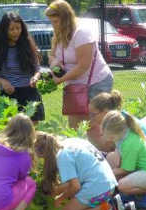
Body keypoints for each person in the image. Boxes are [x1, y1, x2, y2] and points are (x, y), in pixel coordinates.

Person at [45, 0, 114, 129]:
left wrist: (60, 79)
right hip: (75, 86)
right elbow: (52, 56)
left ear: (65, 19)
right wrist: (54, 63)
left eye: (55, 21)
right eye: (51, 21)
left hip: (96, 83)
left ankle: (103, 149)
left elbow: (83, 66)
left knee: (94, 126)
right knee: (74, 126)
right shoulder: (59, 34)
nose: (53, 25)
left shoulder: (82, 33)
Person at [35, 131, 119, 210]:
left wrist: (60, 198)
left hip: (97, 188)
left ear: (44, 154)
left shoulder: (62, 156)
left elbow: (75, 187)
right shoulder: (71, 141)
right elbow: (74, 180)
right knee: (73, 204)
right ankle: (107, 204)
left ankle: (107, 207)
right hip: (109, 183)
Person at [0, 12, 44, 123]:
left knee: (31, 133)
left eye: (18, 28)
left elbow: (37, 69)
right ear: (4, 30)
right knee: (11, 134)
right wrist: (3, 82)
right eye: (11, 29)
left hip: (29, 94)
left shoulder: (28, 45)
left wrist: (35, 77)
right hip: (9, 97)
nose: (16, 32)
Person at [101, 111, 146, 208]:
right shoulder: (124, 136)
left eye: (111, 137)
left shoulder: (129, 143)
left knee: (122, 185)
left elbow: (127, 170)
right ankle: (138, 193)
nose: (109, 140)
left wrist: (107, 173)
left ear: (119, 131)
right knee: (116, 173)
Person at [87, 90, 146, 154]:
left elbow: (109, 146)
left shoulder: (116, 122)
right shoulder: (119, 115)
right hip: (145, 148)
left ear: (105, 112)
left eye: (93, 114)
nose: (91, 117)